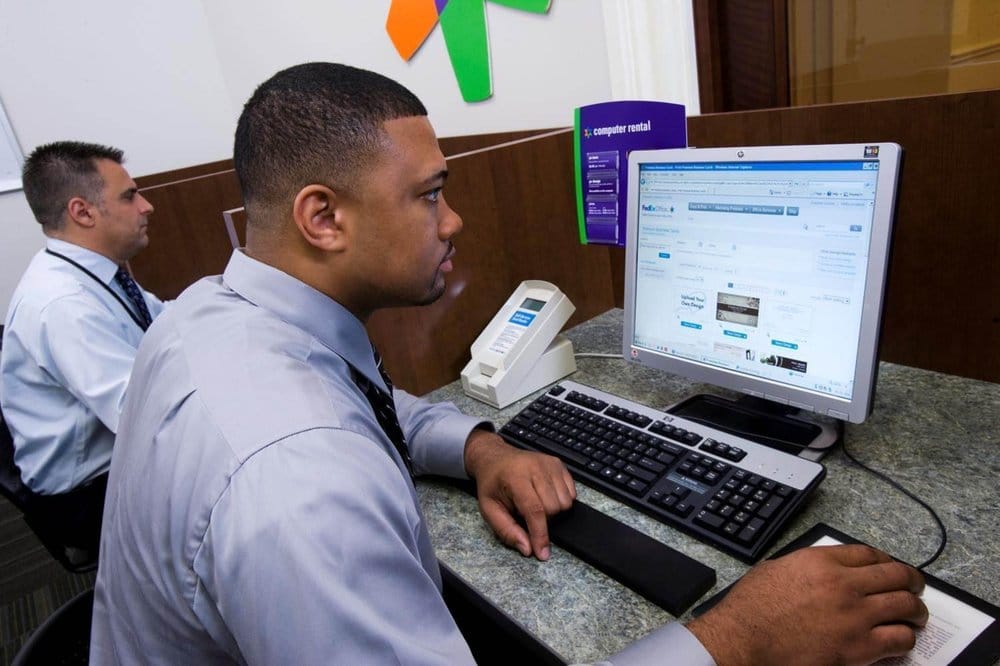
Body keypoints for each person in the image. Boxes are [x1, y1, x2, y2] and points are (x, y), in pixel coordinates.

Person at [91, 63, 927, 665]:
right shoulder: (302, 490)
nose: (453, 220)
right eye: (429, 195)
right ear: (324, 218)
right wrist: (739, 640)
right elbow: (313, 441)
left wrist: (481, 446)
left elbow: (364, 399)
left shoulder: (208, 311)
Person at [0, 141, 163, 552]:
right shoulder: (62, 304)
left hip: (117, 458)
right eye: (130, 196)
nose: (146, 207)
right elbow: (143, 416)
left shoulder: (90, 273)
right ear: (83, 212)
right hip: (87, 495)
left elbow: (165, 322)